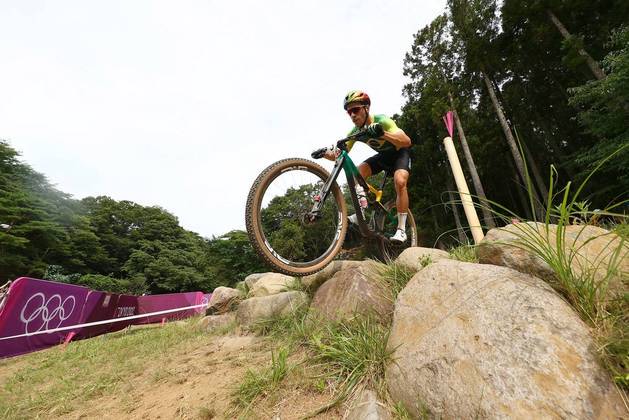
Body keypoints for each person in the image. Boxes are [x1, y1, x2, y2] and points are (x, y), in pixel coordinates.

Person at [324, 90, 412, 242]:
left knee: (400, 181)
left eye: (355, 110)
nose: (352, 115)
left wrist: (382, 133)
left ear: (366, 108)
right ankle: (361, 213)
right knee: (357, 173)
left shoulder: (382, 120)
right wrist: (325, 153)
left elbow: (406, 141)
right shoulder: (355, 131)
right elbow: (340, 154)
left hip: (399, 153)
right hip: (383, 156)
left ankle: (402, 230)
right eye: (349, 112)